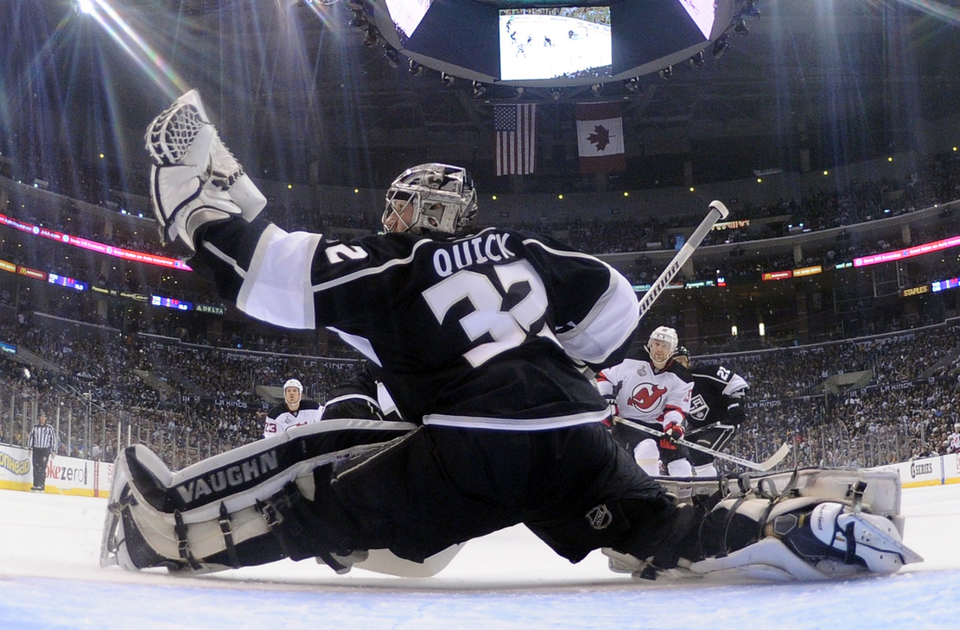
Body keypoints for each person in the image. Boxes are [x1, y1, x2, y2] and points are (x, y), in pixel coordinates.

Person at [100, 89, 919, 582]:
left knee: (323, 495)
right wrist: (572, 363)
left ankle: (161, 536)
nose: (386, 219)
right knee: (652, 531)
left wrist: (199, 199)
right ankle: (780, 534)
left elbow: (266, 273)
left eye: (396, 207)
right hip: (575, 435)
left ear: (420, 212)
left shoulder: (390, 263)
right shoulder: (521, 249)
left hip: (472, 451)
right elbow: (612, 303)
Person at [596, 327, 694, 478]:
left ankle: (685, 494)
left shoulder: (682, 377)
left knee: (681, 461)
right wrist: (607, 401)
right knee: (647, 448)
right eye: (656, 344)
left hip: (658, 425)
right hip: (627, 423)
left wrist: (672, 427)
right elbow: (603, 376)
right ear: (650, 344)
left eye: (665, 346)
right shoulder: (630, 359)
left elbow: (676, 407)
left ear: (672, 350)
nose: (659, 350)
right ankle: (652, 488)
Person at [672, 347, 750, 477]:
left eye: (681, 362)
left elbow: (736, 383)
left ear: (688, 363)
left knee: (701, 453)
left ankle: (709, 489)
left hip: (722, 424)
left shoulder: (705, 373)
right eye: (674, 364)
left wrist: (735, 406)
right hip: (697, 429)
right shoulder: (670, 389)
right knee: (675, 453)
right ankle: (692, 487)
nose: (678, 367)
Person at [27, 413, 58, 492]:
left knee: (42, 467)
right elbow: (31, 437)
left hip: (45, 450)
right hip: (36, 449)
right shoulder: (35, 427)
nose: (42, 418)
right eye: (41, 417)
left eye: (44, 417)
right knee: (35, 467)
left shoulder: (49, 428)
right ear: (39, 418)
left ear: (46, 418)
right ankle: (35, 484)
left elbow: (53, 439)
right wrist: (30, 448)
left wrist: (53, 450)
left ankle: (41, 485)